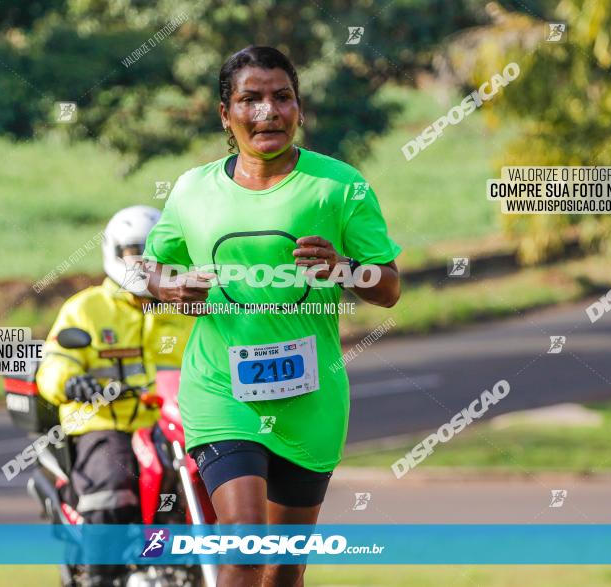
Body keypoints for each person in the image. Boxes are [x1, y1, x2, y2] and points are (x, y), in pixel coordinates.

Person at [143, 46, 401, 586]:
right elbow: (148, 271)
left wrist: (344, 269)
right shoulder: (193, 190)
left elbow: (389, 286)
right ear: (225, 114)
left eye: (282, 97)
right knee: (244, 548)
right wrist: (169, 286)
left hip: (310, 399)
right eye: (250, 99)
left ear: (299, 109)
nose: (268, 111)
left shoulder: (338, 186)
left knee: (284, 570)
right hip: (221, 391)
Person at [35, 205, 195, 587]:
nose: (143, 261)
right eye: (134, 251)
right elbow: (54, 364)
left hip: (177, 426)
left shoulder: (187, 310)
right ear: (114, 251)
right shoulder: (87, 308)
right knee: (111, 487)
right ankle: (102, 579)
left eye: (155, 253)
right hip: (105, 424)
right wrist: (74, 383)